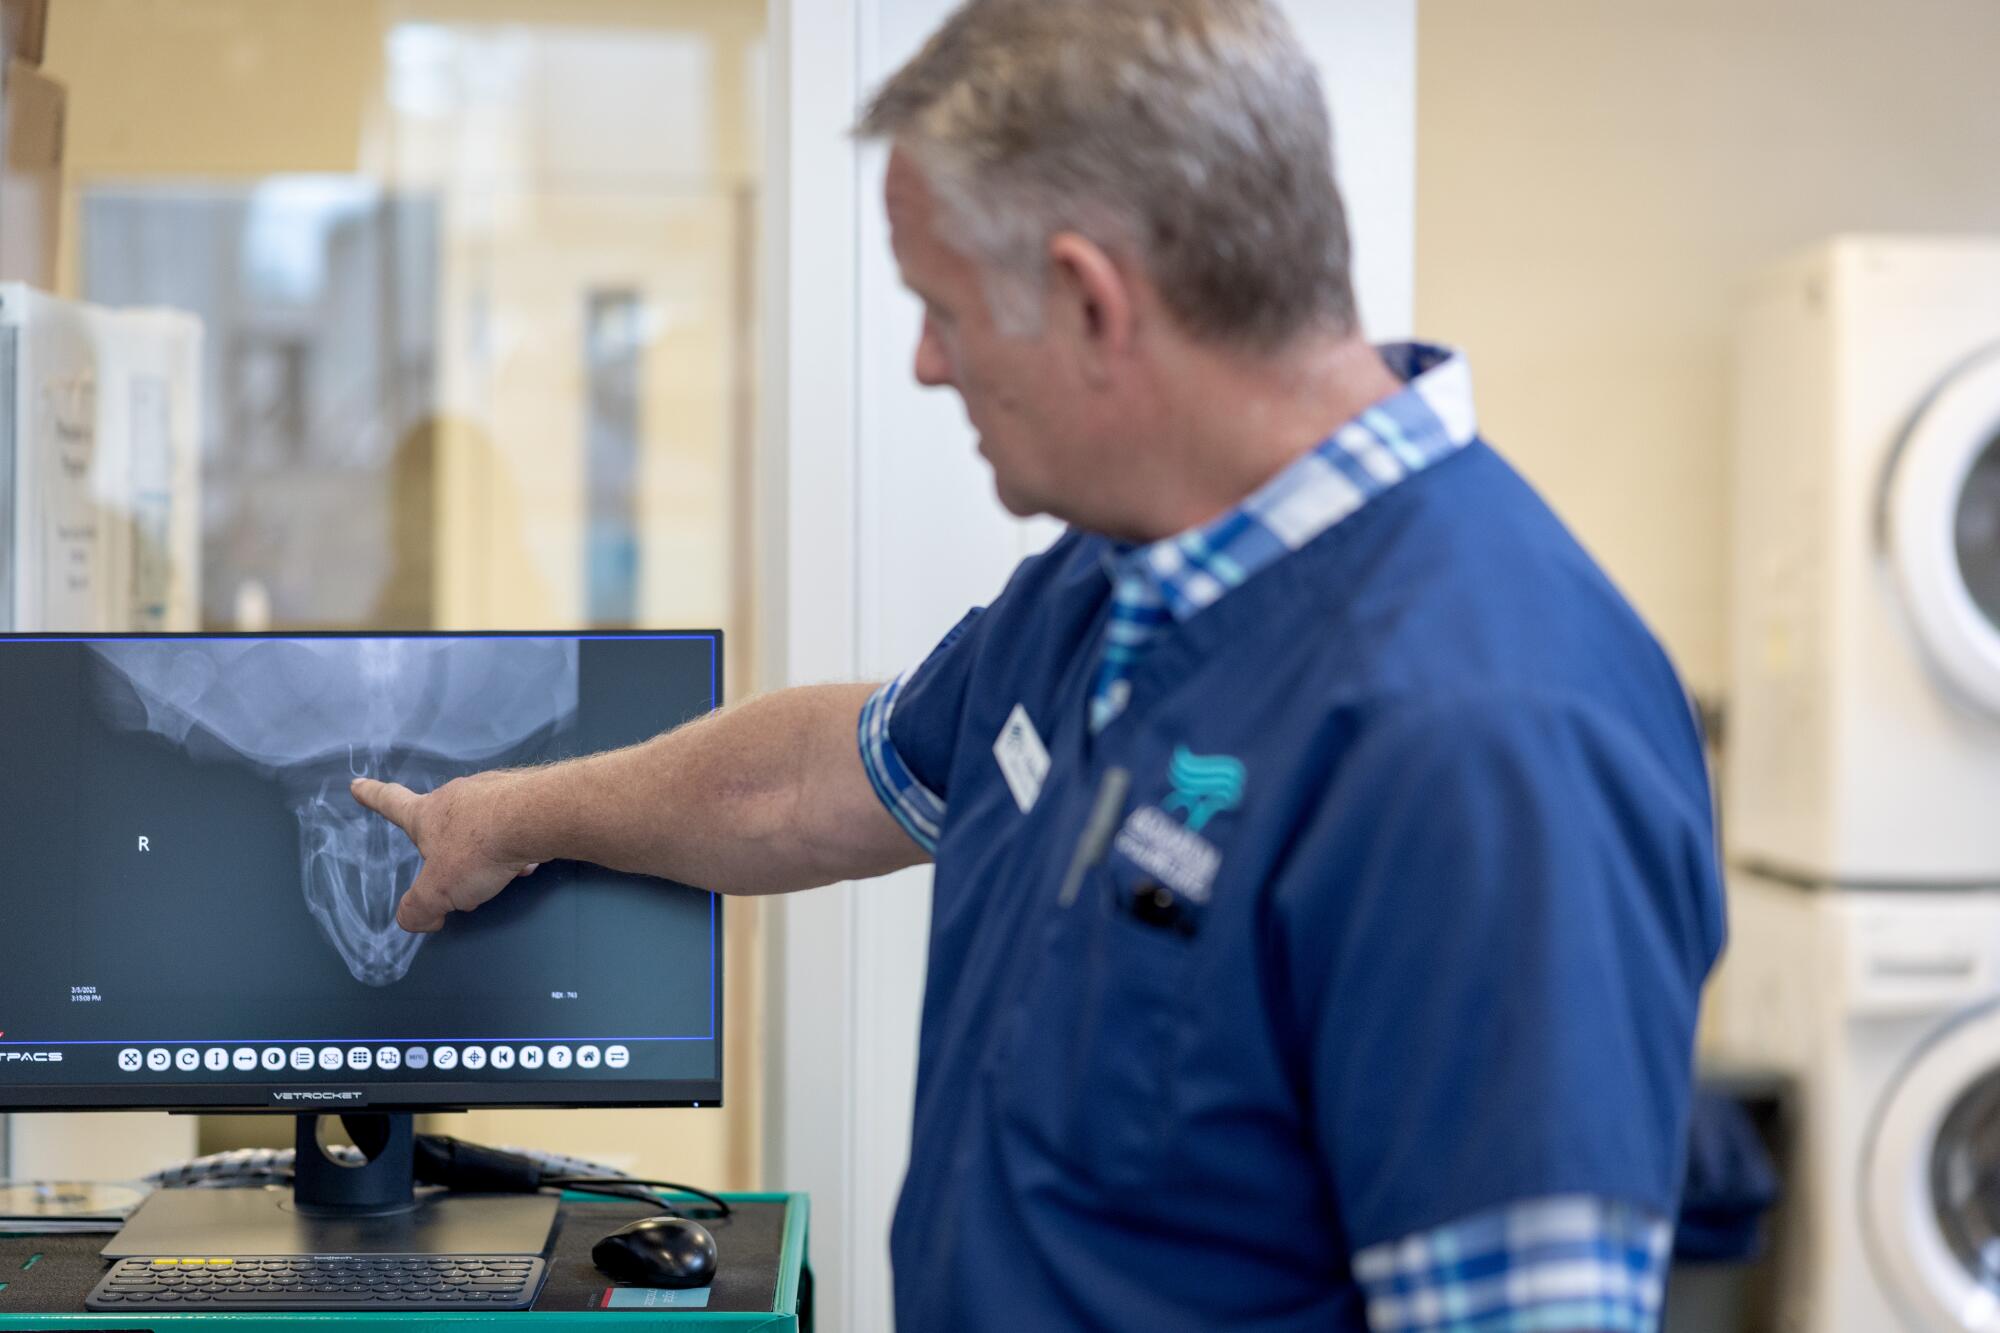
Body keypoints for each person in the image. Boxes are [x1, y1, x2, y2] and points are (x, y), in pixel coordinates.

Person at [351, 1, 1723, 1328]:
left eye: (941, 307)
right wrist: (506, 819)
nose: (925, 363)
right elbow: (810, 785)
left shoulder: (1487, 734)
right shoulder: (1110, 586)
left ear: (1086, 299)